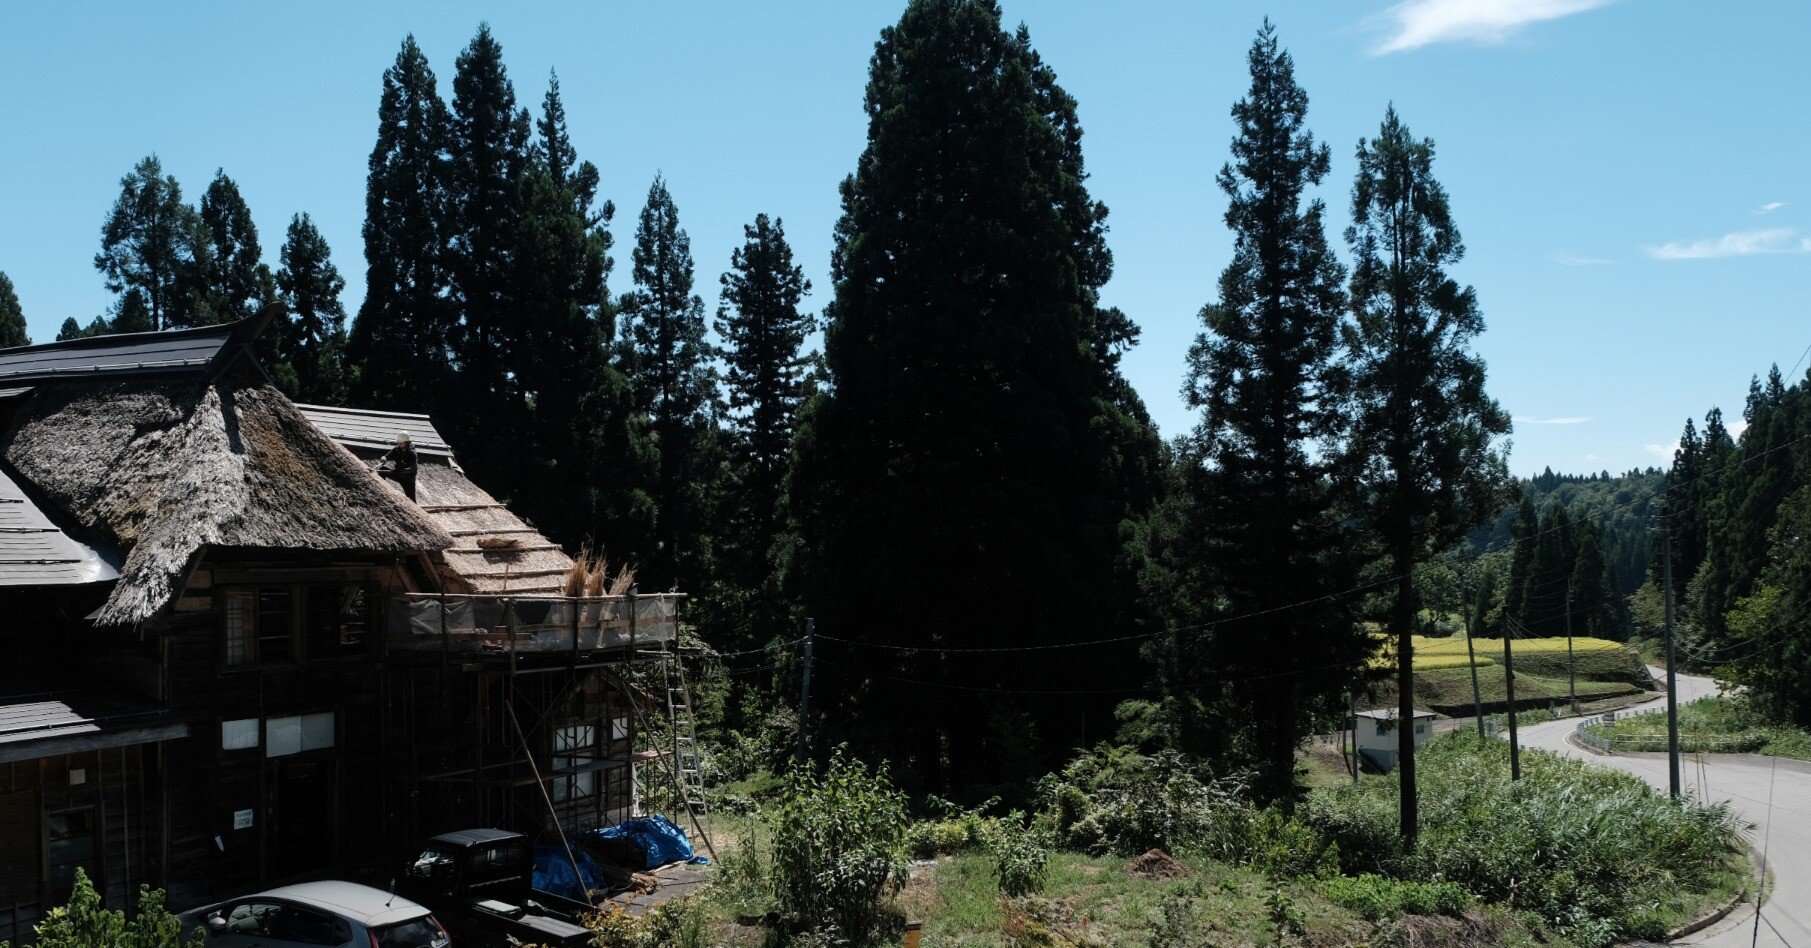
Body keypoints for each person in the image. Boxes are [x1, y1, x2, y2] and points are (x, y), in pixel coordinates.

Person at [377, 431, 419, 501]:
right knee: (382, 470)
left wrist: (402, 471)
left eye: (401, 443)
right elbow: (387, 456)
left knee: (412, 500)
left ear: (407, 442)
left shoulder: (412, 453)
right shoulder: (397, 449)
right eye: (398, 443)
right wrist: (384, 458)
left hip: (408, 479)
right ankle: (383, 492)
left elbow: (412, 468)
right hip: (397, 474)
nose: (399, 445)